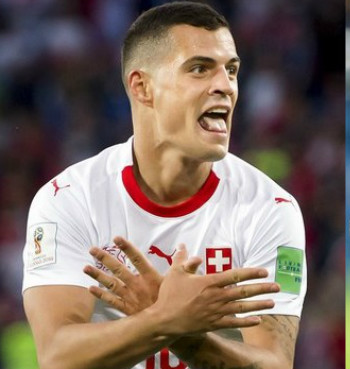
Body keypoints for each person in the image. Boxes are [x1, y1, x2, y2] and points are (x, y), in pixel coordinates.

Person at [22, 2, 306, 369]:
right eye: (200, 69)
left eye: (231, 70)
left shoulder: (272, 208)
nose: (225, 86)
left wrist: (180, 329)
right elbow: (57, 357)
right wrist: (164, 318)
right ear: (142, 87)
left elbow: (276, 364)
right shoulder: (69, 201)